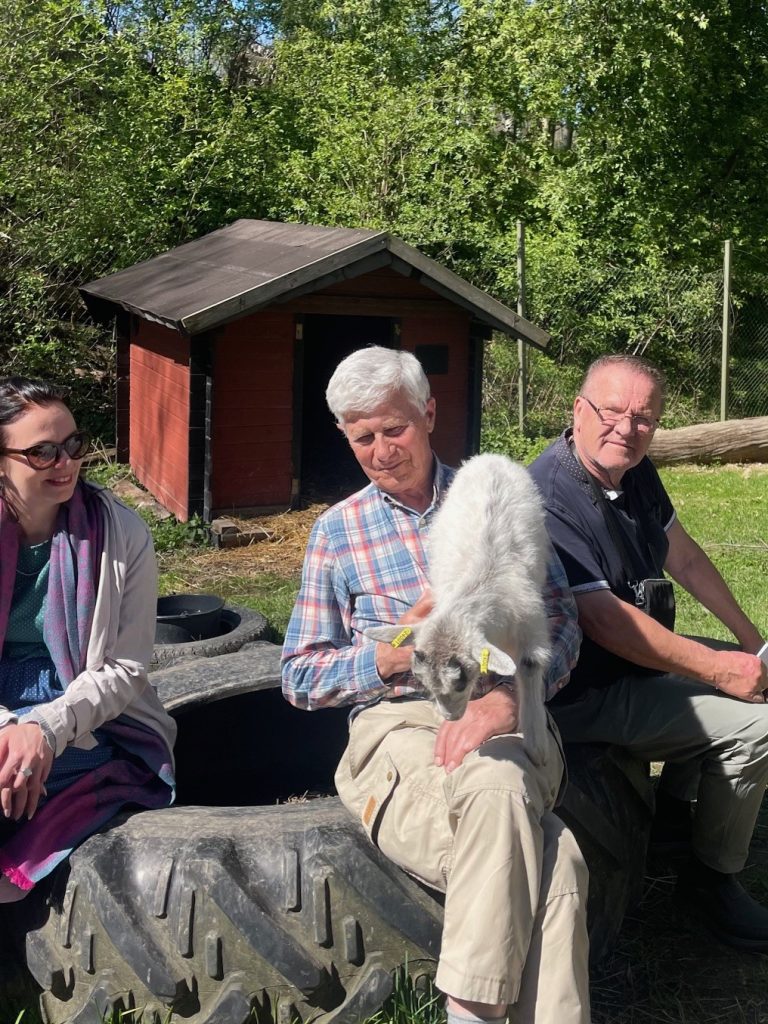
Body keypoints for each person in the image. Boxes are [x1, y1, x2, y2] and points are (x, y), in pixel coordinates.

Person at [282, 347, 590, 1024]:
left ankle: (468, 1012)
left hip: (511, 714)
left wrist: (509, 699)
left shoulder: (496, 504)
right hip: (395, 729)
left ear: (428, 413)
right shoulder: (337, 533)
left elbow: (563, 625)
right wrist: (394, 659)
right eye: (363, 438)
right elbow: (299, 675)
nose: (382, 450)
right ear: (345, 437)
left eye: (394, 429)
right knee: (555, 858)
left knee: (497, 782)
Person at [529, 353, 768, 950]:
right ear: (578, 411)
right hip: (580, 691)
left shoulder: (631, 470)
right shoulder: (548, 496)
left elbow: (680, 554)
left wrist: (750, 642)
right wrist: (721, 669)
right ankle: (712, 878)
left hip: (632, 666)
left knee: (746, 675)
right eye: (611, 412)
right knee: (758, 723)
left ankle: (668, 820)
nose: (626, 429)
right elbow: (605, 622)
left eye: (643, 417)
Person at [0, 377, 175, 902]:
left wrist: (44, 729)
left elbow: (123, 669)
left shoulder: (121, 536)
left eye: (73, 444)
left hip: (86, 715)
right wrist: (11, 727)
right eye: (42, 451)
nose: (66, 463)